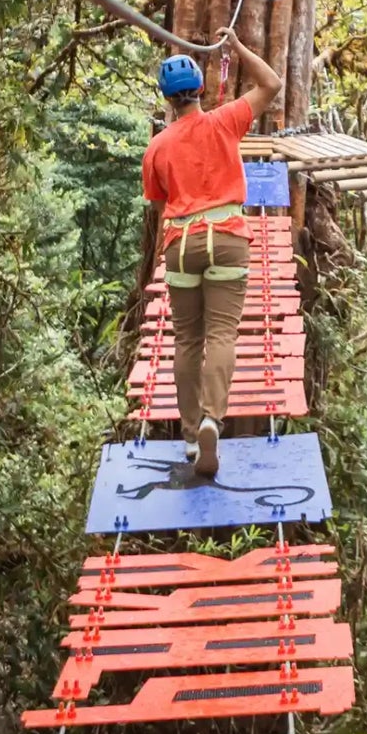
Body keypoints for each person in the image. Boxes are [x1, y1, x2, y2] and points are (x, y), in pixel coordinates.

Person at [141, 27, 282, 475]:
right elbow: (272, 85)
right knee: (222, 334)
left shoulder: (156, 148)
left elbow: (162, 208)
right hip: (227, 236)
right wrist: (237, 48)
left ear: (167, 99)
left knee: (186, 339)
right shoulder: (225, 120)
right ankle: (211, 422)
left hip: (181, 245)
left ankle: (187, 436)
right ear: (200, 89)